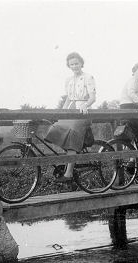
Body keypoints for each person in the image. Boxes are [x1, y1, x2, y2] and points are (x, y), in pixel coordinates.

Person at [44, 52, 96, 182]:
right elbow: (68, 98)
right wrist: (61, 112)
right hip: (70, 111)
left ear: (81, 63)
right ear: (69, 65)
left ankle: (69, 174)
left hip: (82, 112)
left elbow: (93, 97)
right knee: (55, 129)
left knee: (72, 137)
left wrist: (85, 105)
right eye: (71, 64)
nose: (74, 66)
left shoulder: (88, 77)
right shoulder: (68, 80)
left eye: (76, 63)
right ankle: (71, 157)